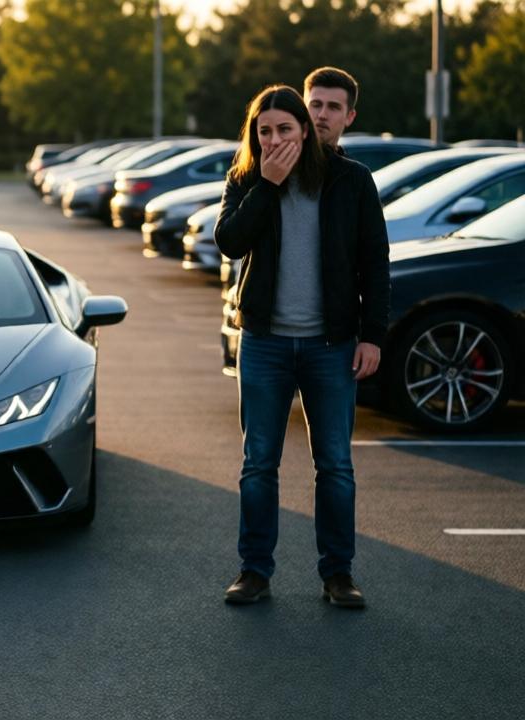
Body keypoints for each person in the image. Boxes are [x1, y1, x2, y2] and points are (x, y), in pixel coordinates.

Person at [214, 84, 390, 609]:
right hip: (265, 343)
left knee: (334, 464)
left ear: (305, 130)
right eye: (263, 131)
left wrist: (373, 337)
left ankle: (338, 574)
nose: (274, 139)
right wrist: (266, 185)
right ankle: (254, 572)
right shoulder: (246, 178)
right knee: (257, 464)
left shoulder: (350, 181)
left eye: (284, 129)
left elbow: (375, 264)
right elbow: (229, 241)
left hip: (330, 345)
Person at [304, 66, 358, 152]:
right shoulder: (279, 162)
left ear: (349, 117)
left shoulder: (352, 166)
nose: (322, 115)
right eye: (316, 105)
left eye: (333, 107)